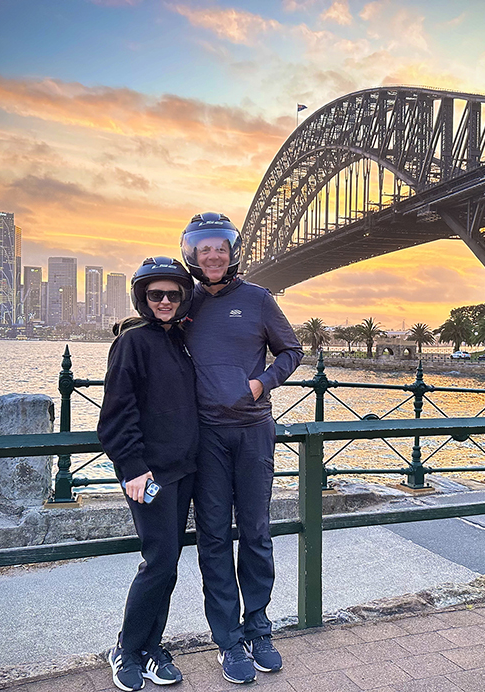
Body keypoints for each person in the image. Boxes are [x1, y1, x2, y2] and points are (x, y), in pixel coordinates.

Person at [180, 212, 304, 684]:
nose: (213, 254)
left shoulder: (258, 299)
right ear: (192, 252)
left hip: (253, 430)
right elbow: (155, 331)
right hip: (206, 435)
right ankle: (227, 640)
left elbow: (292, 351)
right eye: (204, 246)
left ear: (233, 251)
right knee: (213, 537)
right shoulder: (185, 300)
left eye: (221, 246)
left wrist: (261, 383)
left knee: (255, 531)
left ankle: (259, 628)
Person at [97, 256, 198, 691]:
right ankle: (127, 647)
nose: (164, 301)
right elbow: (116, 413)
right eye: (155, 294)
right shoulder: (132, 342)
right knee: (158, 561)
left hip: (183, 470)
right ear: (142, 297)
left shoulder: (178, 339)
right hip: (149, 473)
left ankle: (152, 648)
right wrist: (133, 468)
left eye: (173, 294)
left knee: (169, 562)